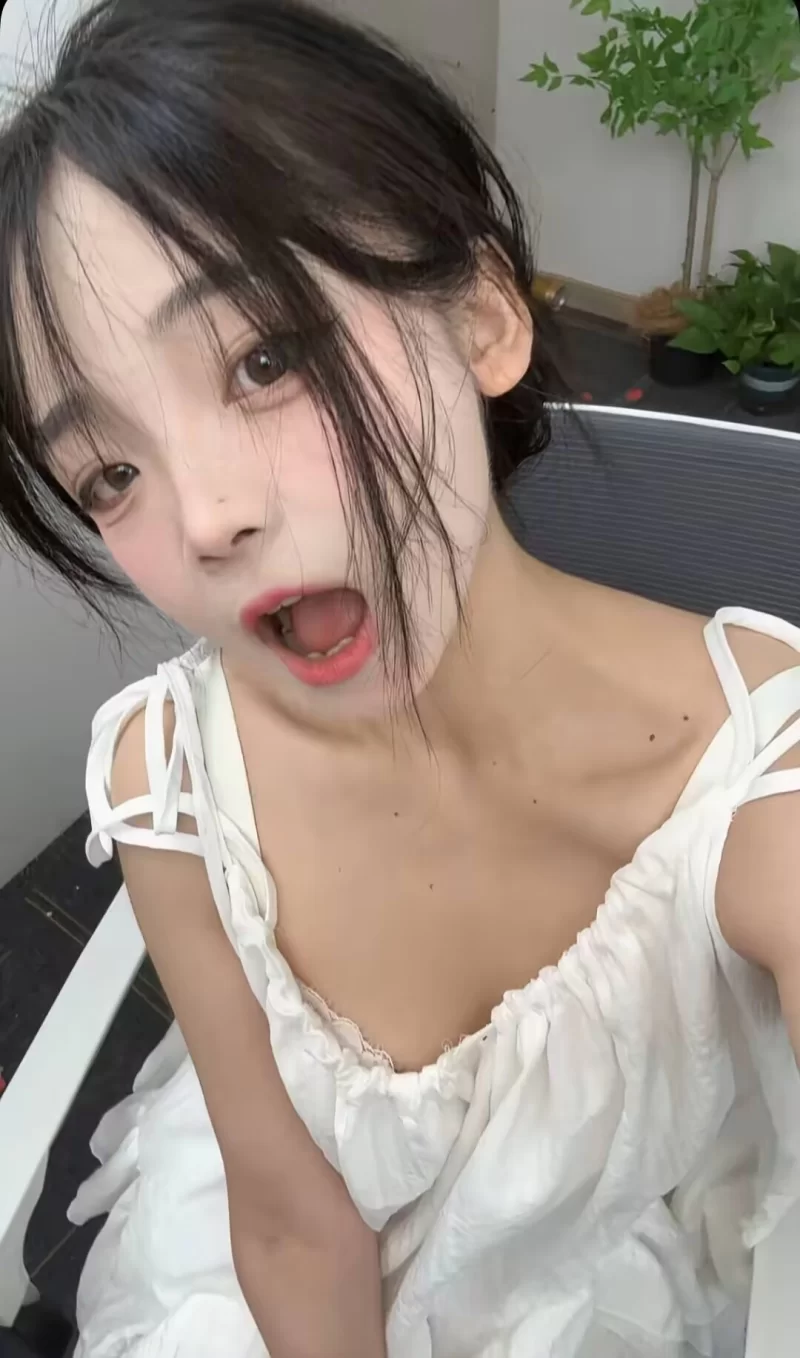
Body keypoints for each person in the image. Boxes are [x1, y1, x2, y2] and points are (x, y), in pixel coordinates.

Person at [3, 0, 800, 1354]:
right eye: (111, 471)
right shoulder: (170, 777)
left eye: (265, 357)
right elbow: (286, 1224)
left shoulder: (754, 776)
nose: (204, 518)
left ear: (483, 317)